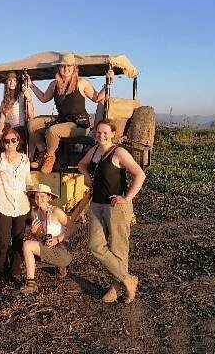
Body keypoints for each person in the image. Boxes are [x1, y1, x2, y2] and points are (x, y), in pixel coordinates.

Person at [77, 120, 146, 304]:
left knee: (118, 249)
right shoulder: (94, 151)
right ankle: (127, 279)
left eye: (105, 132)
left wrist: (127, 198)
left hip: (116, 207)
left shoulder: (118, 152)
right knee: (95, 245)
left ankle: (116, 288)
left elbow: (140, 174)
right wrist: (87, 178)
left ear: (113, 133)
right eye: (98, 132)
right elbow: (81, 165)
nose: (101, 135)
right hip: (96, 205)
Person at [26, 53, 103, 174]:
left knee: (53, 131)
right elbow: (44, 98)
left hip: (79, 124)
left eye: (69, 66)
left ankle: (49, 158)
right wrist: (31, 85)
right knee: (32, 124)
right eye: (63, 66)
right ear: (59, 68)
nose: (66, 69)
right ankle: (42, 151)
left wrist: (108, 83)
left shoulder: (81, 83)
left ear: (74, 68)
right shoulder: (54, 84)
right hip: (62, 120)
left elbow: (97, 98)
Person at [0, 128, 32, 283]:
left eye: (14, 140)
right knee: (3, 240)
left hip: (21, 205)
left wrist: (35, 199)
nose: (10, 143)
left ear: (18, 142)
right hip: (3, 206)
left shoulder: (25, 159)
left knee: (19, 239)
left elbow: (28, 181)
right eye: (7, 141)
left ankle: (15, 270)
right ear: (2, 142)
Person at [20, 184, 76, 295]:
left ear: (49, 198)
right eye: (36, 196)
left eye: (42, 196)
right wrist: (35, 232)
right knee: (27, 245)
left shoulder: (56, 212)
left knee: (27, 245)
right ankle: (59, 268)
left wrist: (58, 239)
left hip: (62, 249)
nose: (39, 199)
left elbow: (73, 228)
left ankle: (31, 283)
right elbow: (42, 236)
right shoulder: (35, 213)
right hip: (49, 246)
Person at [0, 71, 36, 157]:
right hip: (9, 129)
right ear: (6, 83)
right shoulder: (4, 102)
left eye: (14, 80)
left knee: (14, 135)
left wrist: (29, 99)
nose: (12, 83)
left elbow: (31, 114)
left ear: (18, 83)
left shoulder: (22, 96)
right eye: (10, 80)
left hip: (21, 128)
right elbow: (2, 120)